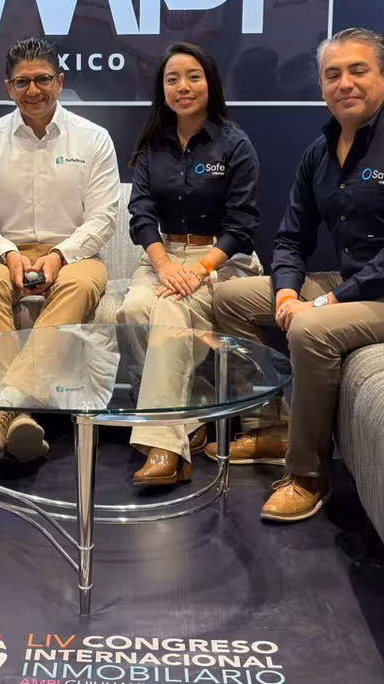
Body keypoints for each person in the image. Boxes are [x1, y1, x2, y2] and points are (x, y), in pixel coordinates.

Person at [212, 27, 384, 522]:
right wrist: (286, 291)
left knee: (310, 328)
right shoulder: (320, 152)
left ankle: (308, 475)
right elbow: (291, 239)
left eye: (358, 71)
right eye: (333, 74)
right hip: (362, 282)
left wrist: (323, 303)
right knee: (230, 298)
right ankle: (274, 427)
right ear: (321, 84)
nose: (345, 83)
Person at [0, 36, 120, 460]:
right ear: (8, 87)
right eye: (22, 82)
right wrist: (8, 254)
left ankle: (2, 406)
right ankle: (19, 418)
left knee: (80, 286)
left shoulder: (93, 138)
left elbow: (103, 216)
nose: (33, 90)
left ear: (60, 81)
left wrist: (60, 255)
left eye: (43, 79)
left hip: (74, 253)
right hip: (3, 251)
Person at [118, 42, 262, 487]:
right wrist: (164, 265)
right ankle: (191, 416)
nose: (183, 86)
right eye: (172, 79)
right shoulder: (152, 146)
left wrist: (198, 272)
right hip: (165, 256)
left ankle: (164, 445)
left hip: (222, 259)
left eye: (193, 77)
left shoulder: (234, 144)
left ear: (210, 83)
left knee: (167, 309)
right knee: (131, 310)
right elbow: (141, 214)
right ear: (162, 90)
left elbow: (243, 225)